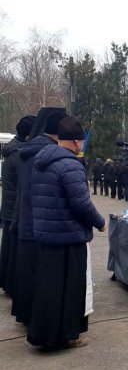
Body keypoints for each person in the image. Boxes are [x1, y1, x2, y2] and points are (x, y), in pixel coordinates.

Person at [27, 116, 106, 350]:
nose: (81, 145)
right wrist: (100, 222)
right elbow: (81, 203)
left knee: (48, 288)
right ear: (75, 142)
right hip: (69, 237)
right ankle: (69, 334)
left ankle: (44, 334)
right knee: (71, 290)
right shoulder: (71, 165)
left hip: (46, 235)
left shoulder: (40, 161)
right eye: (80, 141)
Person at [11, 108, 65, 325]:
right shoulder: (50, 153)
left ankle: (26, 315)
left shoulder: (28, 149)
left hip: (25, 217)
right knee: (43, 279)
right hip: (43, 222)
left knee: (27, 274)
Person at [0, 116, 35, 294]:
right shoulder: (19, 155)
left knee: (7, 247)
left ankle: (6, 281)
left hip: (8, 205)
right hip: (15, 208)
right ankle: (12, 284)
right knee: (13, 250)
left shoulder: (12, 150)